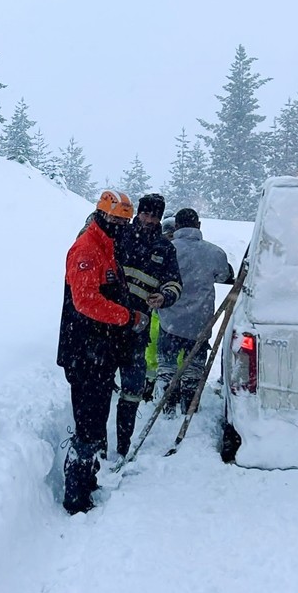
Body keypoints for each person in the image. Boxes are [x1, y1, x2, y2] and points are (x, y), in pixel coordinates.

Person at [56, 190, 150, 514]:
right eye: (115, 220)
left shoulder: (107, 247)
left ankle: (88, 480)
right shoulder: (86, 249)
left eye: (125, 221)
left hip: (101, 352)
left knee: (96, 421)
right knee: (87, 426)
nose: (120, 226)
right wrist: (127, 316)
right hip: (84, 353)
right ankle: (76, 496)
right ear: (101, 215)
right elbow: (86, 301)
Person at [112, 193, 182, 456]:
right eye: (146, 214)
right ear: (137, 213)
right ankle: (97, 444)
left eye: (155, 216)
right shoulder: (119, 235)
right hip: (107, 326)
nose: (149, 219)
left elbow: (174, 282)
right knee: (101, 386)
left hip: (138, 329)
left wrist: (165, 296)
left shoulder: (165, 248)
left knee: (132, 391)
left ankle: (123, 446)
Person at [155, 207, 235, 416]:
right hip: (200, 321)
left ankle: (167, 402)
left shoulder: (167, 249)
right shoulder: (215, 253)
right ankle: (190, 401)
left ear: (176, 226)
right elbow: (224, 276)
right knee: (194, 365)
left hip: (170, 318)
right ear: (198, 225)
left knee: (168, 363)